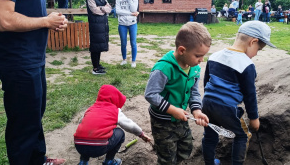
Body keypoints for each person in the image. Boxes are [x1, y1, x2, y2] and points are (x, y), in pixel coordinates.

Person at [0, 0, 68, 164]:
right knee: (23, 126)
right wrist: (45, 21)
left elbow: (26, 12)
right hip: (18, 61)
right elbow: (3, 19)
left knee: (34, 117)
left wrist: (51, 20)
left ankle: (38, 159)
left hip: (33, 59)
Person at [202, 21, 276, 165]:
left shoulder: (215, 56)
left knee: (210, 135)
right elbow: (250, 95)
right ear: (252, 42)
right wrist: (254, 118)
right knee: (242, 136)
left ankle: (209, 163)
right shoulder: (246, 65)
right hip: (228, 109)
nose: (255, 54)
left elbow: (206, 82)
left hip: (208, 103)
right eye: (258, 49)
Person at [145, 22, 210, 165]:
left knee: (185, 147)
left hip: (181, 118)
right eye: (198, 56)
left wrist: (197, 110)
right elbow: (150, 94)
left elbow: (193, 91)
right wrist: (172, 110)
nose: (201, 60)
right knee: (167, 156)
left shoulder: (194, 68)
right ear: (182, 50)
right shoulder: (163, 68)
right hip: (162, 121)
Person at [74, 85, 151, 165]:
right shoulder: (114, 110)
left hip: (79, 145)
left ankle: (83, 161)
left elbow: (81, 122)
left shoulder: (91, 108)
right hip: (99, 148)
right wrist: (141, 134)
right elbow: (130, 125)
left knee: (86, 135)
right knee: (120, 133)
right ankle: (109, 161)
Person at [86, 0, 112, 75]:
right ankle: (95, 68)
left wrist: (102, 9)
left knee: (100, 45)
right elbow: (94, 10)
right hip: (95, 25)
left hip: (102, 25)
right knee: (95, 46)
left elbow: (109, 8)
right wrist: (103, 9)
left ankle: (97, 64)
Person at [116, 0, 139, 68]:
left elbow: (134, 9)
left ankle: (133, 61)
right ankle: (124, 59)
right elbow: (118, 11)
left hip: (132, 23)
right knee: (123, 43)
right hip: (122, 24)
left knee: (133, 43)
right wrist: (130, 14)